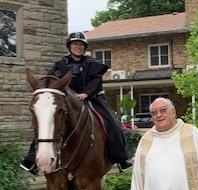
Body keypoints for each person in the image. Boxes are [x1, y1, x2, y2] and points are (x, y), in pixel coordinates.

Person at [20, 32, 132, 174]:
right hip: (69, 100)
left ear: (84, 47)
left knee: (112, 121)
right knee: (46, 122)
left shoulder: (92, 63)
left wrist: (87, 93)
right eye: (75, 44)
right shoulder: (60, 64)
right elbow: (53, 81)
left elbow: (96, 80)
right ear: (69, 46)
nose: (78, 47)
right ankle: (31, 160)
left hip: (93, 97)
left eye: (80, 44)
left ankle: (121, 158)